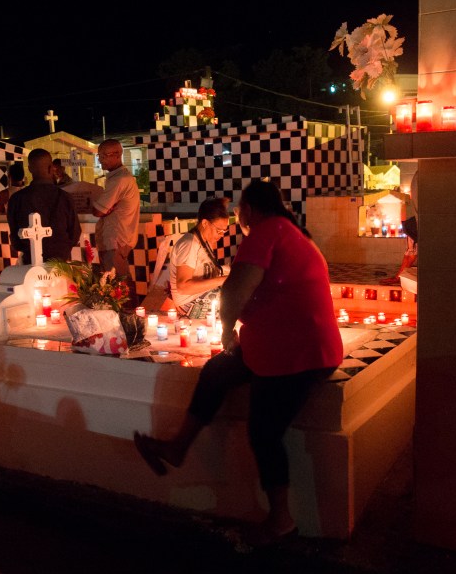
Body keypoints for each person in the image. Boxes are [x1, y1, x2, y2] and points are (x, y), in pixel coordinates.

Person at [134, 179, 343, 546]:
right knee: (217, 372)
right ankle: (178, 447)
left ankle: (281, 520)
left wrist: (227, 330)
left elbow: (234, 288)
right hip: (287, 344)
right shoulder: (291, 232)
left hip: (296, 353)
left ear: (247, 211)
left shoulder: (266, 232)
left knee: (264, 431)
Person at [7, 148, 80, 264]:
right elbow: (75, 234)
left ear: (30, 169)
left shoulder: (17, 199)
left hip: (30, 264)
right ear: (51, 168)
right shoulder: (65, 198)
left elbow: (15, 239)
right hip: (60, 263)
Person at [168, 196, 230, 317]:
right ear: (205, 223)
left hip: (204, 296)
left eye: (224, 231)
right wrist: (224, 280)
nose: (222, 235)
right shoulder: (190, 244)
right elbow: (183, 286)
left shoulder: (204, 242)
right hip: (190, 304)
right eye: (219, 231)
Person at [92, 139, 140, 279]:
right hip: (117, 240)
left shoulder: (119, 180)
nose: (100, 160)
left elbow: (97, 211)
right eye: (99, 156)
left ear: (117, 154)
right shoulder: (118, 177)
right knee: (117, 284)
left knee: (118, 287)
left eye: (103, 156)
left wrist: (100, 207)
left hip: (116, 241)